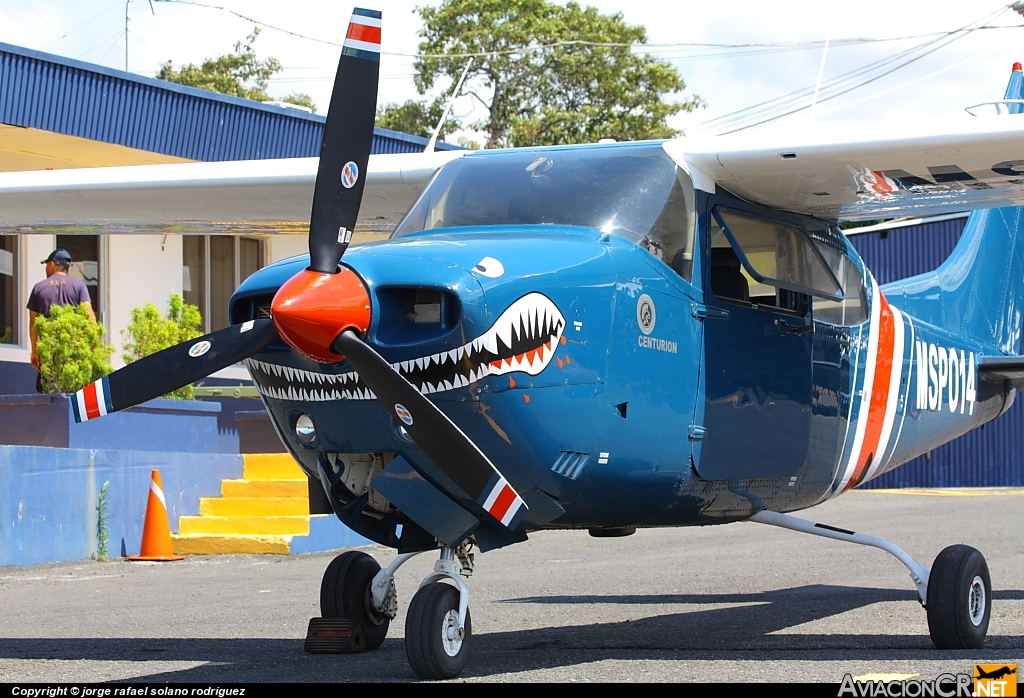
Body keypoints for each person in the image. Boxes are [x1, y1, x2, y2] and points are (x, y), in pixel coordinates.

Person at [27, 249, 96, 392]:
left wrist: (35, 352)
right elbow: (90, 317)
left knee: (48, 392)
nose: (46, 268)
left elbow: (34, 323)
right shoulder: (79, 286)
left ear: (52, 264)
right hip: (73, 350)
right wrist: (92, 347)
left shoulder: (38, 288)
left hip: (48, 350)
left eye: (46, 265)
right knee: (75, 391)